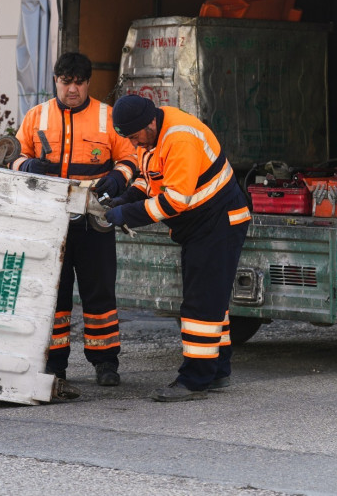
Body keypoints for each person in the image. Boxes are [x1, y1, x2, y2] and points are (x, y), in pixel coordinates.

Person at [103, 94, 251, 402]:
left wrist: (125, 214)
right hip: (205, 223)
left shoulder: (179, 138)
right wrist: (127, 197)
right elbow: (152, 179)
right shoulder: (151, 137)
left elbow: (174, 201)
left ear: (150, 123)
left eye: (134, 136)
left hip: (218, 223)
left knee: (200, 305)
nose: (133, 143)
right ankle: (217, 371)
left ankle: (195, 381)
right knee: (212, 303)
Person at [11, 52, 137, 397]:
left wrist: (118, 176)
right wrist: (27, 167)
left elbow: (131, 157)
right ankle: (54, 363)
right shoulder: (36, 117)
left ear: (88, 83)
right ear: (56, 81)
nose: (72, 89)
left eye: (79, 83)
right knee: (54, 294)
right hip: (49, 223)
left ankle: (106, 362)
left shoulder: (106, 118)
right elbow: (13, 155)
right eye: (66, 82)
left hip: (95, 219)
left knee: (100, 292)